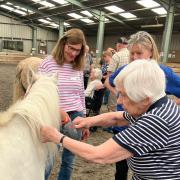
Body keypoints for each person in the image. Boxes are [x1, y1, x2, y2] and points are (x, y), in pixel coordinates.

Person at [41, 59, 180, 179]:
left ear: (145, 99)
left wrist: (57, 137)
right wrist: (89, 121)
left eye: (124, 95)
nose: (119, 101)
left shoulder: (155, 121)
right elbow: (117, 118)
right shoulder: (158, 105)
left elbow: (98, 155)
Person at [105, 30, 180, 180]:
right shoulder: (125, 69)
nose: (134, 57)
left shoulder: (162, 72)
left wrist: (171, 106)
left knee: (144, 167)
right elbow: (108, 80)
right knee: (121, 169)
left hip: (148, 130)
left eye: (139, 53)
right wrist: (119, 93)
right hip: (123, 124)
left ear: (151, 52)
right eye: (132, 53)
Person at [38, 28, 89, 180]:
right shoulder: (48, 63)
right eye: (71, 48)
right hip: (54, 116)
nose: (73, 53)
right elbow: (38, 92)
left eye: (77, 50)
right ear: (63, 44)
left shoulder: (78, 66)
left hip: (75, 117)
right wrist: (57, 110)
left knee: (69, 160)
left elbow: (81, 93)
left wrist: (85, 120)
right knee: (48, 159)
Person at [107, 37, 130, 112]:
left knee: (113, 109)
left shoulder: (116, 56)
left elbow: (110, 74)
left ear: (119, 45)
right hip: (129, 88)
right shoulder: (131, 55)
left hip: (116, 87)